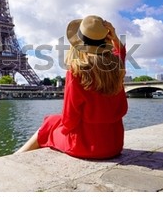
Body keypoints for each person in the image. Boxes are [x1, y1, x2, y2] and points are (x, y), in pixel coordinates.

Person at [15, 15, 128, 159]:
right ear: (106, 39)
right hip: (114, 144)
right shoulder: (117, 67)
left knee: (49, 124)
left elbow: (70, 119)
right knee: (52, 121)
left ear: (79, 43)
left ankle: (15, 157)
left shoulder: (76, 71)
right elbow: (120, 53)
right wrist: (115, 37)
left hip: (85, 146)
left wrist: (58, 128)